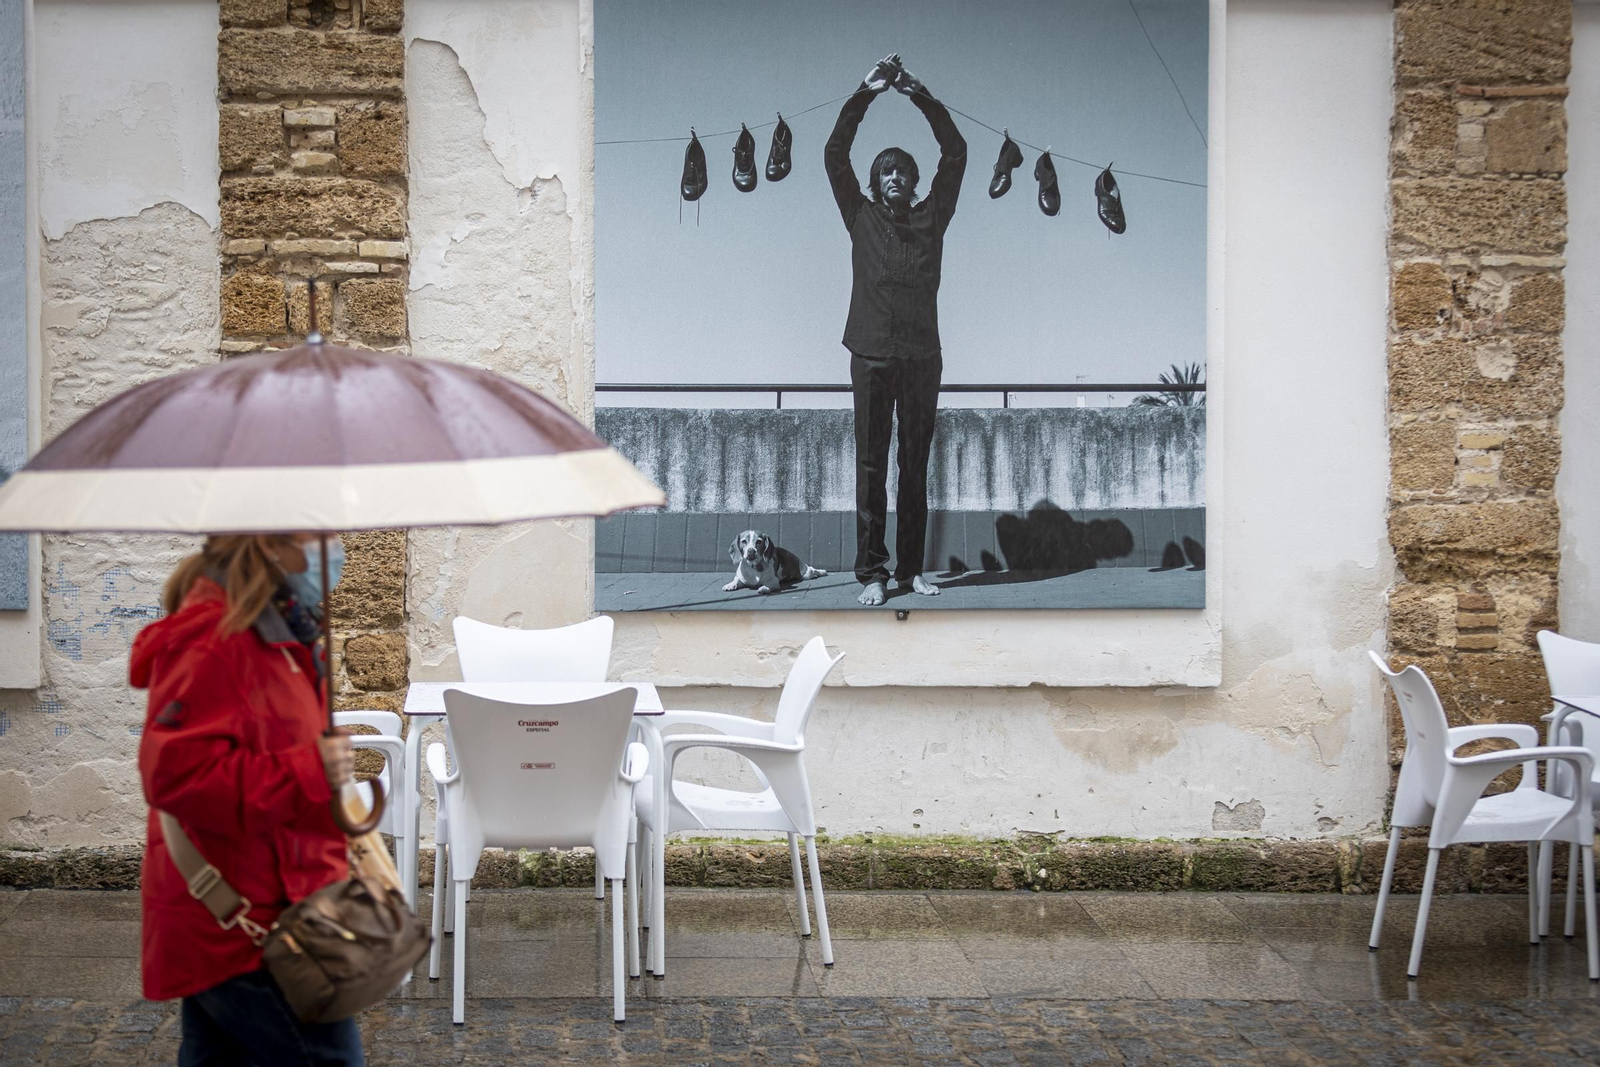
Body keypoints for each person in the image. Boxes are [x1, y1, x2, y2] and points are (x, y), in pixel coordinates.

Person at [133, 533, 363, 1067]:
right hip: (247, 924)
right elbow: (174, 777)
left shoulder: (278, 630)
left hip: (274, 903)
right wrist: (309, 769)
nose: (334, 547)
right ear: (269, 542)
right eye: (317, 533)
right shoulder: (215, 640)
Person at [825, 53, 966, 607]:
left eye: (904, 172)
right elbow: (834, 153)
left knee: (914, 467)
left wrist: (918, 93)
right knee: (870, 465)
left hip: (922, 358)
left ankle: (910, 570)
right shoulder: (859, 216)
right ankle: (873, 574)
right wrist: (866, 91)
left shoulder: (933, 217)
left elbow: (955, 153)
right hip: (870, 355)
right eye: (886, 172)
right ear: (875, 182)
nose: (895, 179)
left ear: (914, 182)